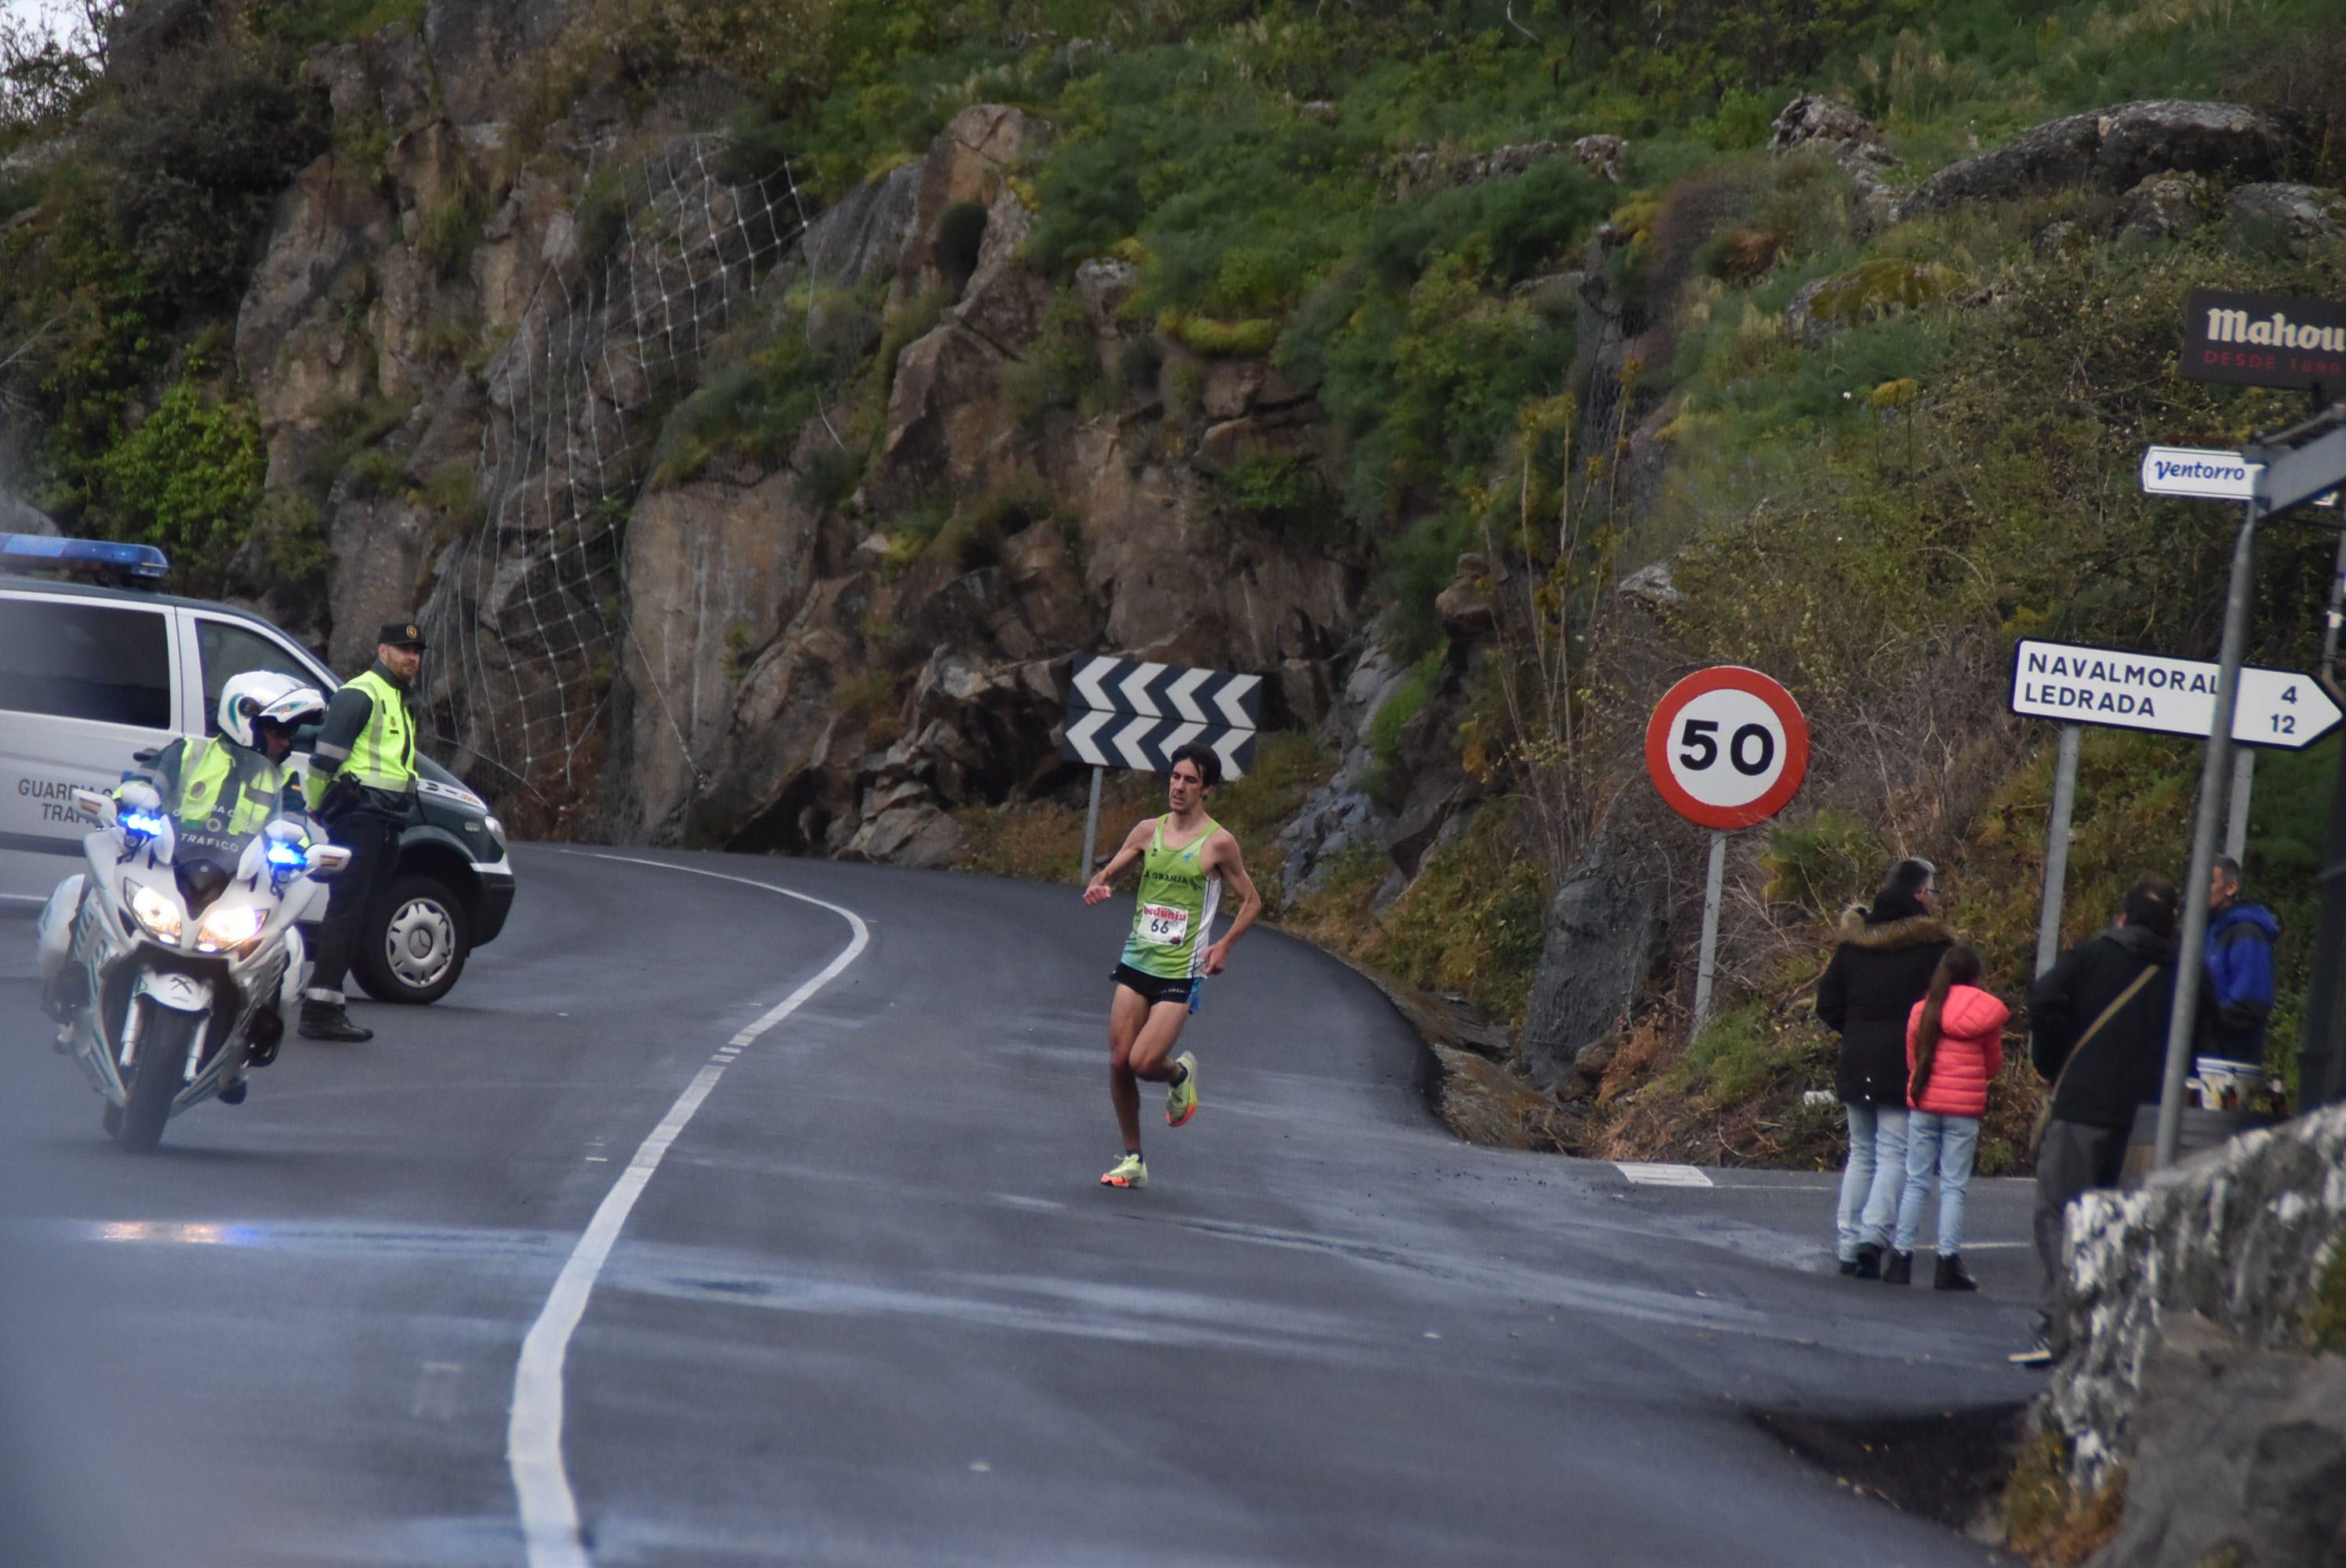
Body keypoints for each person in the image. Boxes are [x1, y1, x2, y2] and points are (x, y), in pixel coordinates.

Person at [42, 672, 326, 1087]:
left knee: (290, 946)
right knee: (78, 893)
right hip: (167, 870)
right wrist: (130, 803)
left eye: (291, 732)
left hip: (234, 886)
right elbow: (143, 782)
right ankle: (70, 996)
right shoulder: (188, 753)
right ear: (243, 719)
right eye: (277, 729)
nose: (286, 741)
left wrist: (296, 847)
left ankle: (243, 1052)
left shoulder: (285, 782)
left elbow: (297, 825)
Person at [2014, 872, 2206, 1367]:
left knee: (2059, 1212)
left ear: (2123, 914)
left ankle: (2060, 1323)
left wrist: (2054, 1064)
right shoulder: (2188, 974)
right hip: (2152, 1120)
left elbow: (2043, 999)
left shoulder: (2091, 955)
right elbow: (2211, 1037)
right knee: (2131, 1222)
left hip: (2083, 1107)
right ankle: (2114, 1329)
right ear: (2173, 925)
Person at [1080, 742, 1263, 1190]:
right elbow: (1110, 872)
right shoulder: (1148, 830)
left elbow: (1253, 901)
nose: (1179, 787)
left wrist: (1223, 946)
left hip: (1180, 971)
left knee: (1145, 1062)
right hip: (1137, 961)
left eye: (1190, 781)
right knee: (1120, 1062)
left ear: (1208, 790)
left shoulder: (1219, 843)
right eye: (1175, 777)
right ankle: (1132, 1158)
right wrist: (1099, 884)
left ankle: (1178, 1073)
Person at [1816, 858, 1952, 1278]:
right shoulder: (1934, 949)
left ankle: (1847, 1240)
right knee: (1894, 1151)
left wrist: (1854, 1029)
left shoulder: (1853, 946)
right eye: (1932, 891)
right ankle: (1874, 1237)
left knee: (1860, 1152)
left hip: (1857, 1055)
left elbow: (1828, 1004)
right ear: (1918, 895)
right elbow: (1947, 1007)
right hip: (1903, 1058)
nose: (1934, 899)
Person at [300, 621, 427, 1043]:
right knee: (348, 908)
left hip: (386, 819)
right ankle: (319, 1010)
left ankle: (328, 1000)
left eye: (417, 651)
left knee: (361, 913)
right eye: (403, 649)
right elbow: (323, 761)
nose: (412, 657)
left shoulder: (400, 698)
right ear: (382, 650)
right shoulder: (362, 693)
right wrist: (318, 805)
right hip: (359, 816)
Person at [1887, 944, 2006, 1290]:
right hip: (1964, 1110)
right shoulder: (1985, 1013)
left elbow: (1913, 1060)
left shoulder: (1923, 1010)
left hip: (1924, 1102)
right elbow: (1993, 1065)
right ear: (1976, 976)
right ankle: (1946, 1264)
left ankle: (1900, 1260)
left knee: (1916, 1180)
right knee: (1953, 1185)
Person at [2204, 855, 2279, 1069]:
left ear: (2231, 888)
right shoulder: (2205, 932)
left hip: (2229, 1063)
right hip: (2203, 1057)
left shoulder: (2248, 935)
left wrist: (2201, 1017)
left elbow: (2250, 1007)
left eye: (2210, 882)